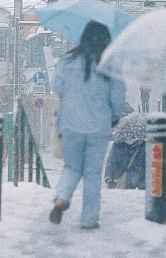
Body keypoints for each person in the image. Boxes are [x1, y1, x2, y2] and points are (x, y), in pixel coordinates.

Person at [49, 21, 127, 230]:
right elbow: (118, 96)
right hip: (98, 126)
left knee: (72, 167)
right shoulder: (110, 63)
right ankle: (89, 219)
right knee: (92, 173)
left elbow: (57, 87)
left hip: (70, 124)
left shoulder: (68, 60)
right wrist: (115, 116)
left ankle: (62, 196)